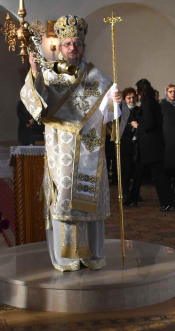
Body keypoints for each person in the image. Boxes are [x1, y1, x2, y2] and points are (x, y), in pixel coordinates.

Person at [19, 15, 123, 271]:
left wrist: (116, 103)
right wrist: (34, 73)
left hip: (91, 150)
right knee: (64, 200)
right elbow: (32, 101)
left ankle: (92, 255)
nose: (72, 47)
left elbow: (111, 117)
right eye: (67, 43)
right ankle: (67, 258)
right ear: (60, 47)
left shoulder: (97, 77)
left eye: (77, 43)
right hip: (60, 151)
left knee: (89, 201)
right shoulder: (49, 75)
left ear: (83, 46)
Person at [129, 78, 171, 211]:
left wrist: (137, 125)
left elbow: (149, 124)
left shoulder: (147, 104)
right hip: (151, 144)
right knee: (139, 173)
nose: (136, 94)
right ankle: (132, 198)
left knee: (158, 175)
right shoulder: (153, 103)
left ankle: (167, 202)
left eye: (137, 91)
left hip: (150, 146)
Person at [120, 87, 140, 202]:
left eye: (133, 97)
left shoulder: (139, 110)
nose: (132, 100)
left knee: (137, 171)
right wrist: (131, 127)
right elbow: (119, 127)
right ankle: (126, 193)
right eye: (129, 98)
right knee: (126, 172)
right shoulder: (121, 111)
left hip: (137, 145)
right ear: (125, 99)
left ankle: (135, 194)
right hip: (125, 144)